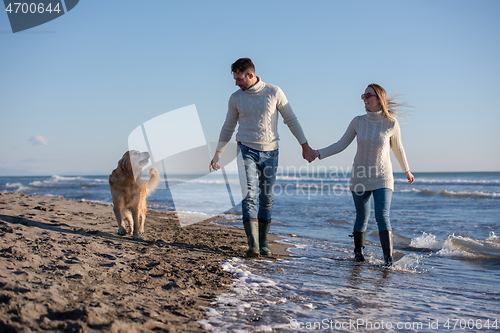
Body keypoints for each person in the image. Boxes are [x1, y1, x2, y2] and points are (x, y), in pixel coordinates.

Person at [210, 58, 315, 257]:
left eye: (239, 79)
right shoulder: (235, 98)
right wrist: (218, 153)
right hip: (245, 149)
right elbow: (228, 127)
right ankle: (253, 245)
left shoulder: (274, 92)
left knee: (266, 198)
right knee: (249, 196)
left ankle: (264, 241)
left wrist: (305, 145)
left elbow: (291, 119)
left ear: (251, 75)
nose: (236, 83)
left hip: (271, 152)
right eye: (234, 79)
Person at [310, 83, 414, 266]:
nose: (365, 99)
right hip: (360, 177)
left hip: (383, 177)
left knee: (382, 216)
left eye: (368, 96)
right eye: (363, 96)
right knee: (362, 217)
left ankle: (388, 261)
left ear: (379, 98)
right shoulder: (358, 121)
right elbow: (341, 144)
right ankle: (358, 255)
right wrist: (318, 153)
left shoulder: (391, 123)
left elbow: (398, 148)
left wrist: (407, 170)